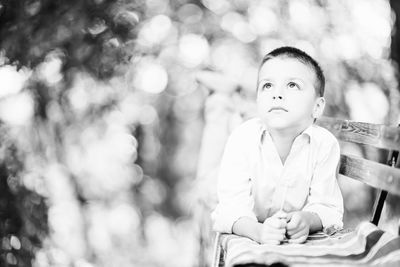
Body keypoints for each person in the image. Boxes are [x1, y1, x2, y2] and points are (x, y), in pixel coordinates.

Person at [211, 46, 344, 245]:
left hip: (285, 229)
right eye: (267, 86)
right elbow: (229, 209)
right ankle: (221, 96)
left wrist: (307, 220)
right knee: (215, 127)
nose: (277, 94)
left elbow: (328, 207)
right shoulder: (242, 138)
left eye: (292, 85)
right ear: (258, 99)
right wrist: (258, 231)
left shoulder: (324, 144)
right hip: (222, 194)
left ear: (317, 107)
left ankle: (227, 97)